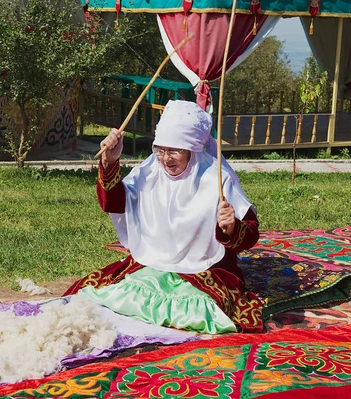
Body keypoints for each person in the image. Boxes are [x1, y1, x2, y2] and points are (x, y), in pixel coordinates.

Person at [64, 100, 263, 334]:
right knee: (113, 295)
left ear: (193, 150)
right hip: (153, 263)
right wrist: (109, 162)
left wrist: (231, 227)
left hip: (203, 270)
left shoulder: (217, 179)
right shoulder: (149, 172)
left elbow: (250, 233)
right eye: (161, 150)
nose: (165, 159)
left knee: (198, 312)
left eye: (175, 151)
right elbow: (114, 203)